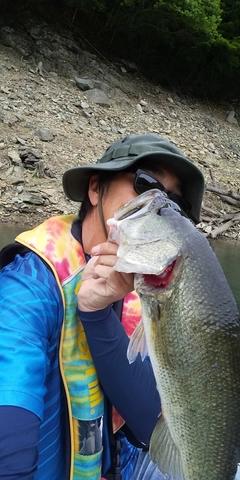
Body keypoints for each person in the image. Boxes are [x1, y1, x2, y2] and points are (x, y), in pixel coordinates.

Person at [0, 133, 205, 480]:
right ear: (95, 188)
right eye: (146, 184)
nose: (161, 207)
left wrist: (97, 315)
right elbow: (10, 443)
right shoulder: (27, 287)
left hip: (120, 463)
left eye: (174, 203)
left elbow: (147, 424)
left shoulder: (147, 286)